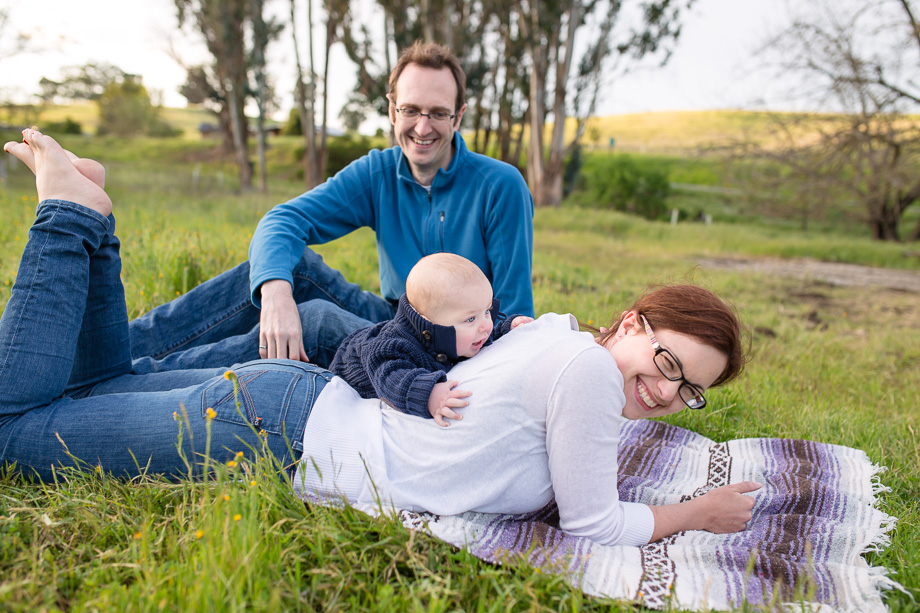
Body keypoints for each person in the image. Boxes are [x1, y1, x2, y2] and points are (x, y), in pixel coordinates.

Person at [0, 131, 759, 548]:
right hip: (276, 431)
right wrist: (698, 512)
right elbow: (596, 525)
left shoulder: (555, 334)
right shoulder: (586, 373)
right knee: (10, 431)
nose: (667, 392)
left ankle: (94, 222)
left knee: (95, 389)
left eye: (689, 389)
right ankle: (68, 216)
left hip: (296, 404)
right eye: (668, 362)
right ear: (632, 323)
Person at [126, 41, 535, 374]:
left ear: (458, 117)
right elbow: (284, 220)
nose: (422, 127)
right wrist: (275, 294)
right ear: (392, 109)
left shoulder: (500, 185)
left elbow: (514, 315)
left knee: (318, 320)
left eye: (438, 113)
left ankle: (141, 377)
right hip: (393, 317)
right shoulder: (378, 172)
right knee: (290, 268)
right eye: (410, 110)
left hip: (459, 346)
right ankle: (115, 350)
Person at [329, 253, 532, 426]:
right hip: (349, 377)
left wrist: (507, 329)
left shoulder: (462, 334)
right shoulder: (391, 348)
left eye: (487, 311)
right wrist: (429, 394)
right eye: (471, 319)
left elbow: (484, 338)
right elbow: (392, 379)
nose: (486, 325)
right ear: (430, 325)